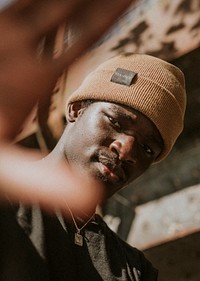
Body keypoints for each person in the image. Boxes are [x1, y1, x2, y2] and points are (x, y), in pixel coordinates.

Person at [0, 53, 186, 281]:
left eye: (147, 149)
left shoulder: (134, 270)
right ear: (77, 110)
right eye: (115, 122)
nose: (126, 151)